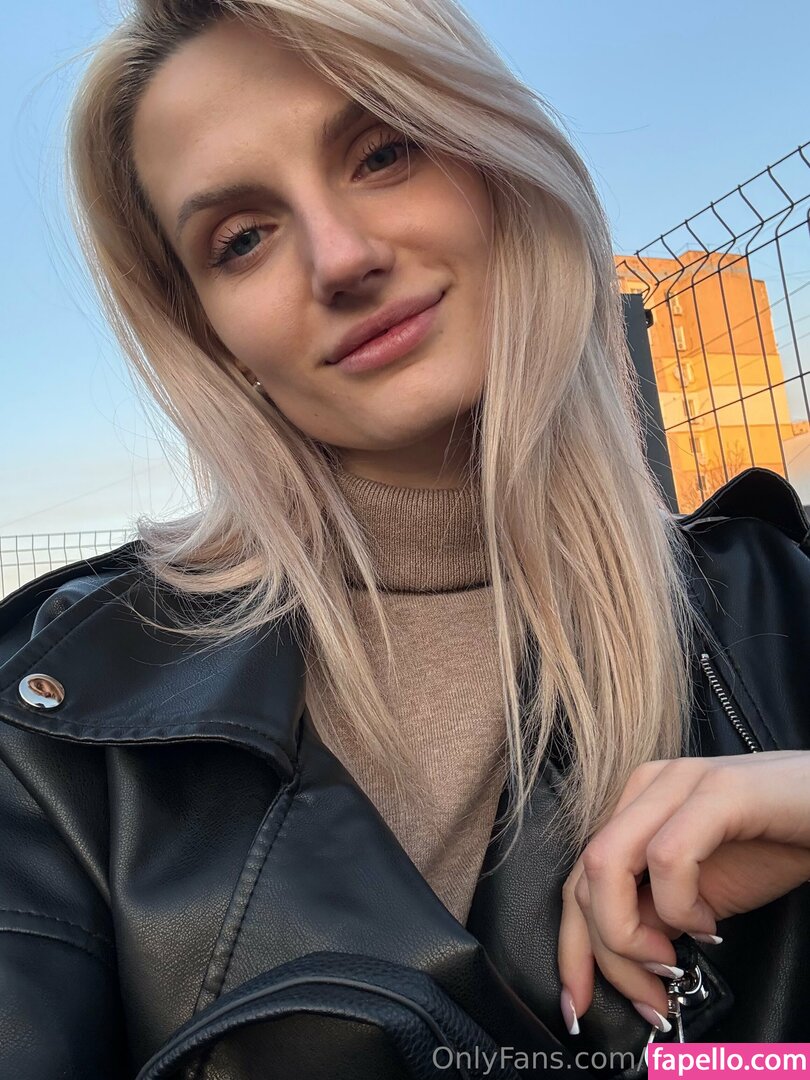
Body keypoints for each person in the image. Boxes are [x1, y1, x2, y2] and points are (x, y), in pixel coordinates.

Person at [1, 0, 809, 1076]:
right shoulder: (54, 724)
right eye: (242, 239)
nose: (340, 258)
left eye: (383, 152)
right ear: (208, 332)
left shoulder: (781, 603)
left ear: (496, 162)